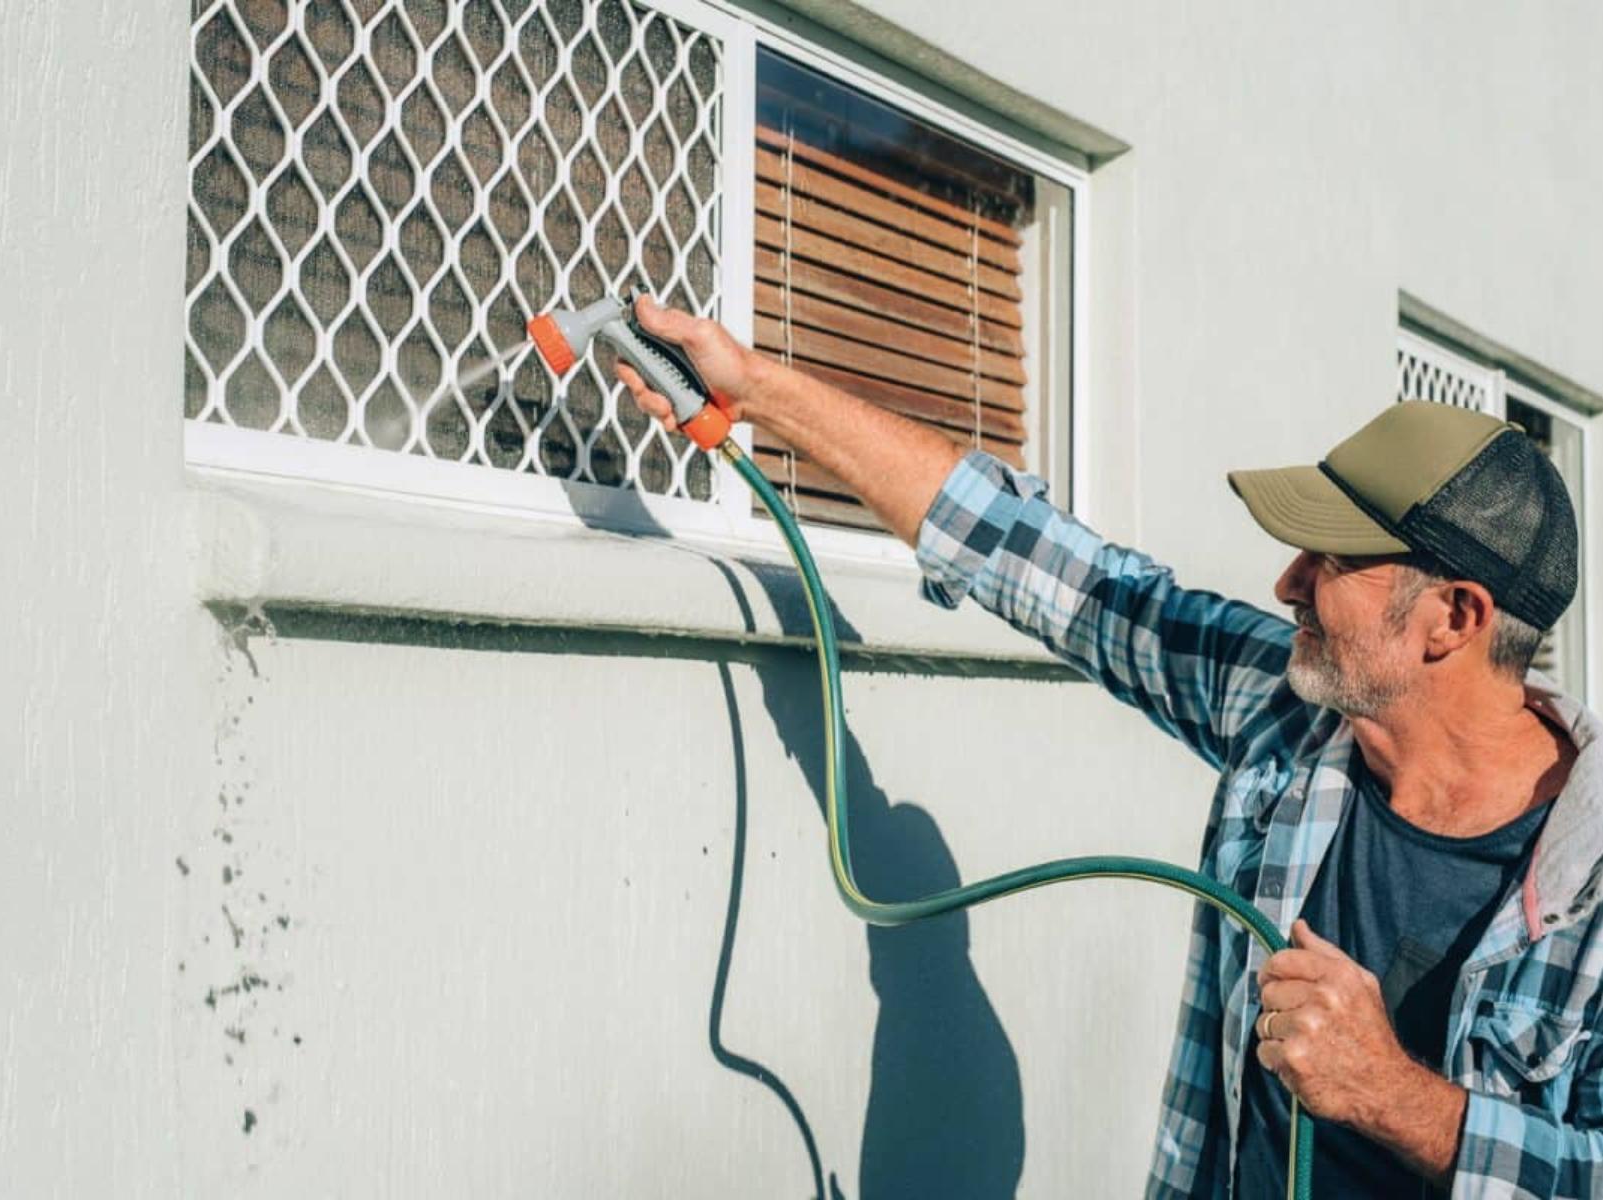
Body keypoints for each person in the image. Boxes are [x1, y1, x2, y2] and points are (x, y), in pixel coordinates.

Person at [614, 294, 1601, 1198]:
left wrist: (1390, 1092)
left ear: (1452, 618)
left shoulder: (1587, 888)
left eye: (1333, 559)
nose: (1287, 582)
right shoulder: (1285, 716)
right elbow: (1050, 565)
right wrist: (760, 392)